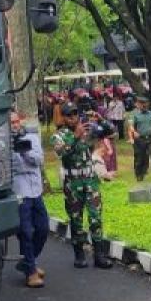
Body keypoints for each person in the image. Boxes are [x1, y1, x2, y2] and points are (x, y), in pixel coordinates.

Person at [49, 103, 113, 269]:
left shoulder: (87, 131)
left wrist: (102, 121)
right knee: (76, 220)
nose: (73, 118)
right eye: (69, 115)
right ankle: (79, 255)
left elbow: (111, 132)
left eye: (75, 114)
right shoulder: (58, 136)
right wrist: (76, 137)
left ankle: (99, 255)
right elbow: (62, 153)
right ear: (63, 117)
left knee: (95, 218)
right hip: (73, 183)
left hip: (90, 180)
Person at [10, 110, 48, 288]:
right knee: (25, 231)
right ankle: (31, 272)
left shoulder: (32, 138)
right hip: (20, 191)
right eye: (11, 123)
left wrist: (25, 152)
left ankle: (28, 262)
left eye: (16, 122)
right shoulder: (3, 143)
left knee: (42, 228)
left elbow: (39, 160)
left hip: (36, 189)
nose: (14, 125)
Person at [128, 96, 151, 181]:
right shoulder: (134, 114)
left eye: (146, 104)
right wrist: (134, 132)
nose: (144, 106)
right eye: (142, 104)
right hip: (140, 139)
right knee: (140, 158)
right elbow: (131, 126)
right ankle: (139, 175)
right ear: (139, 104)